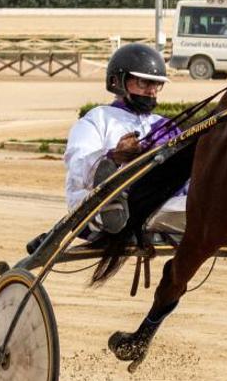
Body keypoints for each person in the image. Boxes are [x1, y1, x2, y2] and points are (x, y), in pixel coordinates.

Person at [64, 43, 179, 238]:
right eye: (144, 83)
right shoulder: (97, 118)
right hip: (93, 206)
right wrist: (114, 157)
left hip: (156, 204)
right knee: (110, 190)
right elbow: (78, 172)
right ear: (118, 81)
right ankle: (112, 204)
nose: (152, 90)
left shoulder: (165, 125)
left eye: (156, 84)